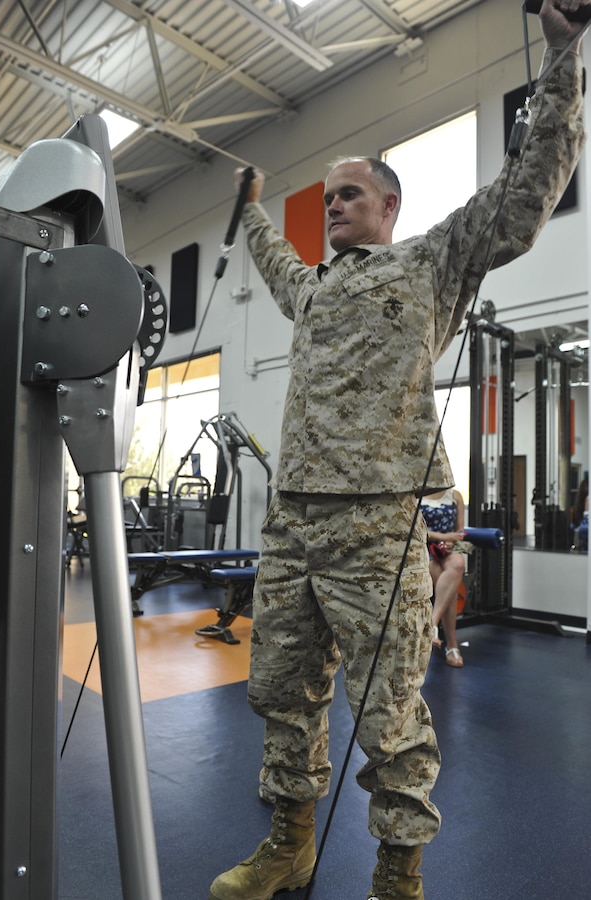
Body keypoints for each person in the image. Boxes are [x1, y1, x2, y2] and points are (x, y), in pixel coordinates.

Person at [208, 5, 586, 899]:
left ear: (388, 205)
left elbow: (528, 192)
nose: (333, 206)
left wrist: (565, 55)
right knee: (281, 698)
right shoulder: (313, 291)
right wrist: (253, 210)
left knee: (389, 715)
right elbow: (269, 259)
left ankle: (396, 873)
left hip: (377, 528)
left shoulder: (428, 263)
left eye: (348, 195)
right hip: (293, 527)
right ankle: (289, 845)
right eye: (326, 197)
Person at [420, 488, 467, 667]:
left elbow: (460, 530)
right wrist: (443, 536)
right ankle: (452, 645)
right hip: (423, 550)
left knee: (458, 563)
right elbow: (415, 529)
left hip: (447, 550)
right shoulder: (416, 495)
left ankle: (432, 623)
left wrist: (450, 541)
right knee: (448, 583)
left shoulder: (455, 496)